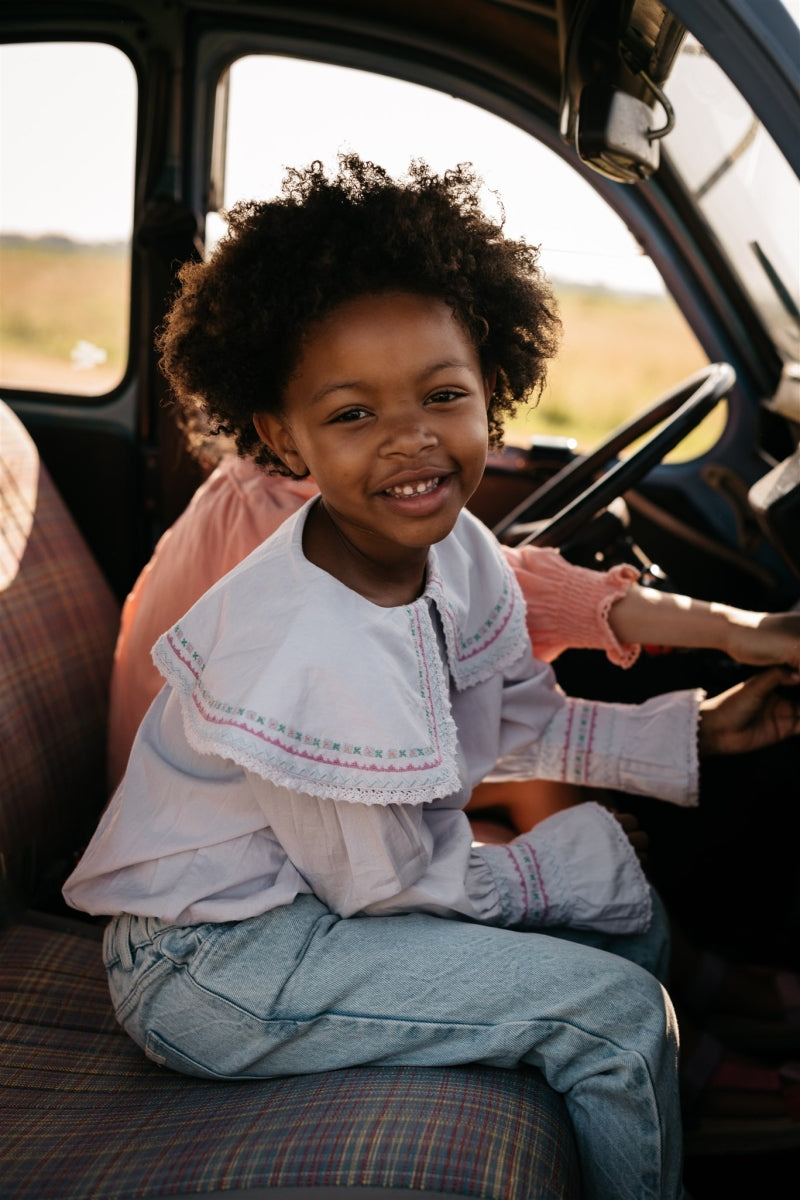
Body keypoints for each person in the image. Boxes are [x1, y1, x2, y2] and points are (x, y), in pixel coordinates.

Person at [63, 156, 800, 1200]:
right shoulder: (308, 642)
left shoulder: (445, 549)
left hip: (312, 910)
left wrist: (702, 729)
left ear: (489, 396)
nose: (411, 440)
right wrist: (557, 875)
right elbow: (382, 885)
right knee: (616, 1007)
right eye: (352, 414)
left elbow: (509, 719)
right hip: (217, 968)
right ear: (282, 435)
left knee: (625, 916)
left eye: (442, 395)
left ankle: (651, 1117)